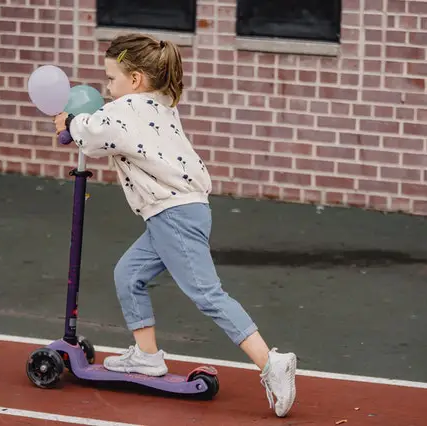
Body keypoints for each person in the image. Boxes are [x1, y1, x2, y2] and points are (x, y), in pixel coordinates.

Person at [53, 33, 297, 417]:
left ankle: (271, 362)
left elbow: (94, 133)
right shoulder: (158, 105)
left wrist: (69, 121)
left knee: (206, 293)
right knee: (128, 274)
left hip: (174, 214)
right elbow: (111, 136)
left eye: (111, 79)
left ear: (134, 80)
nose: (107, 88)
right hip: (179, 211)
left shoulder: (126, 109)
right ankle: (148, 356)